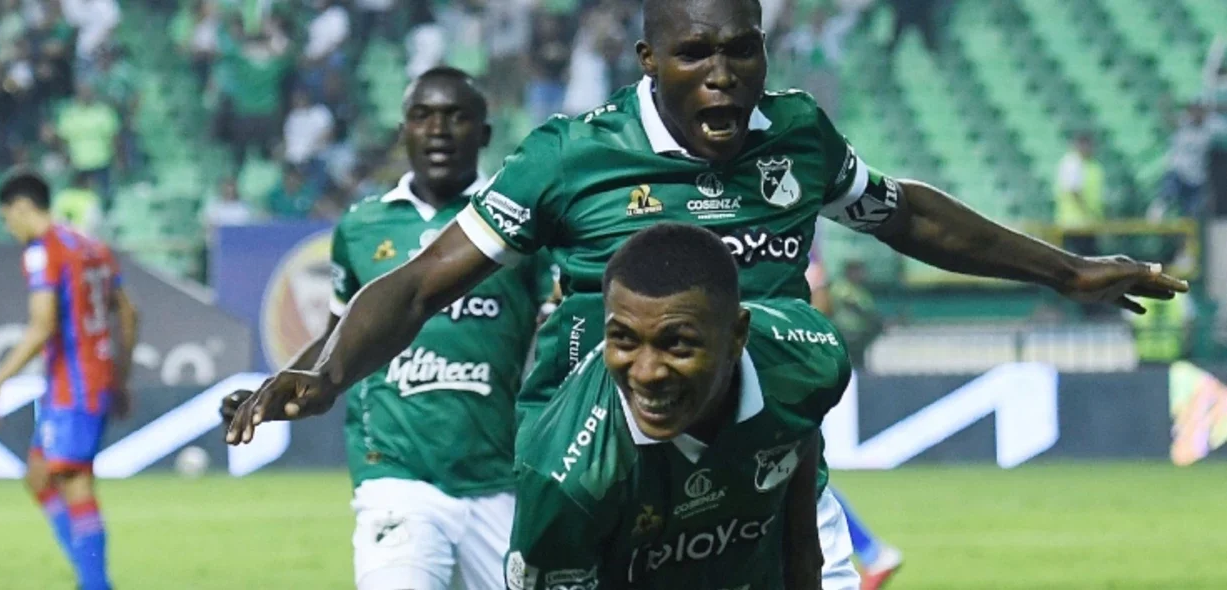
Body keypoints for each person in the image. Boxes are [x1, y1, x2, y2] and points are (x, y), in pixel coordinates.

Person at [226, 0, 1187, 587]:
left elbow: (904, 216)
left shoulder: (796, 135)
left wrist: (1063, 271)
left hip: (767, 474)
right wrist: (327, 373)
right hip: (610, 484)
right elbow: (426, 280)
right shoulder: (572, 157)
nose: (724, 75)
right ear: (650, 61)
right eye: (696, 54)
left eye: (743, 49)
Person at [223, 67, 551, 590]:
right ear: (403, 133)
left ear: (484, 133)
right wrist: (277, 386)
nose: (438, 130)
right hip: (396, 479)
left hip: (500, 481)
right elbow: (337, 335)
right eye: (422, 117)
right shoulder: (361, 227)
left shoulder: (519, 223)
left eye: (456, 117)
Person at [507, 223, 846, 588]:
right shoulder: (565, 481)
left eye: (678, 344)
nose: (647, 373)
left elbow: (802, 538)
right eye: (623, 340)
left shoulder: (810, 359)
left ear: (737, 335)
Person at [0, 170, 138, 590]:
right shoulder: (94, 247)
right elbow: (129, 313)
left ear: (22, 207)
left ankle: (95, 584)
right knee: (39, 474)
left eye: (7, 217)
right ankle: (90, 576)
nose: (9, 227)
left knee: (74, 480)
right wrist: (120, 376)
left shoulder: (44, 251)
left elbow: (42, 325)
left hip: (75, 383)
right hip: (92, 378)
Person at [807, 236, 903, 590]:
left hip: (782, 373)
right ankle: (872, 551)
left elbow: (820, 296)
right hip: (793, 367)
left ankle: (872, 551)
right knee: (794, 475)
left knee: (795, 475)